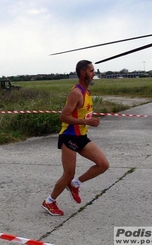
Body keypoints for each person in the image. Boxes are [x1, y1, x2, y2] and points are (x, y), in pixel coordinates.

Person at [42, 60, 109, 216]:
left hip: (82, 136)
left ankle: (75, 184)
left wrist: (90, 120)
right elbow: (63, 117)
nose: (94, 74)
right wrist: (86, 121)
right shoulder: (76, 93)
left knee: (103, 164)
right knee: (68, 174)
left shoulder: (87, 92)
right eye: (92, 71)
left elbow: (81, 114)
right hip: (69, 136)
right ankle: (49, 201)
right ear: (83, 73)